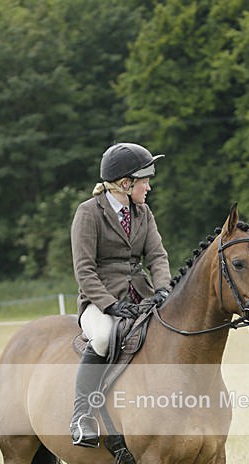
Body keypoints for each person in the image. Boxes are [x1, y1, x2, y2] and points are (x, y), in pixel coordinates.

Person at [70, 142, 172, 447]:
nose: (149, 187)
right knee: (103, 337)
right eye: (145, 181)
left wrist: (164, 288)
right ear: (125, 184)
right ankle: (82, 416)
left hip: (140, 296)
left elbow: (157, 256)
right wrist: (110, 305)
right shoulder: (89, 213)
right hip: (99, 302)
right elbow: (84, 270)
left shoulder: (143, 212)